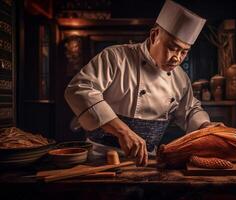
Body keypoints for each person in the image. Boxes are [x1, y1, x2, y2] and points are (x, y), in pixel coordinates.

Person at [65, 0, 223, 167]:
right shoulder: (115, 58)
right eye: (172, 47)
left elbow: (191, 110)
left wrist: (206, 126)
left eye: (184, 52)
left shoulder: (180, 78)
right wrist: (122, 131)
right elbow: (79, 89)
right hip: (101, 158)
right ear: (155, 35)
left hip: (148, 161)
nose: (177, 58)